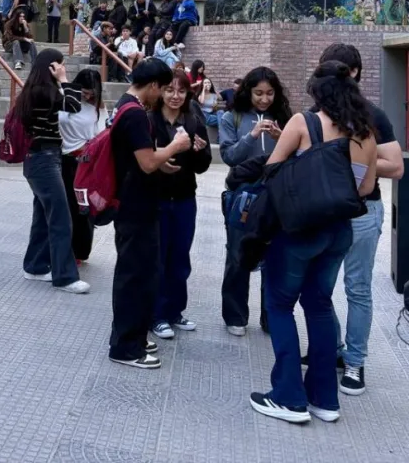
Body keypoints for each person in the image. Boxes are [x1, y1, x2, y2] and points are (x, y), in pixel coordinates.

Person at [250, 61, 377, 424]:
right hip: (340, 231)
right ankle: (325, 399)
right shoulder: (365, 131)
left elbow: (271, 171)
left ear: (318, 91)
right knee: (320, 305)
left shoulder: (303, 123)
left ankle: (289, 397)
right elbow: (366, 189)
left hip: (301, 230)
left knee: (279, 304)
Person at [318, 43, 404, 396]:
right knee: (319, 288)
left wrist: (356, 160)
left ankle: (355, 361)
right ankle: (333, 348)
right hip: (324, 211)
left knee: (357, 289)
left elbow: (396, 167)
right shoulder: (317, 112)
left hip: (363, 212)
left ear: (354, 73)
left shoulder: (373, 115)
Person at [108, 58, 192, 369]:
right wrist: (176, 146)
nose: (164, 95)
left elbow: (141, 158)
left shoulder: (124, 105)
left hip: (133, 202)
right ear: (154, 85)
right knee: (135, 277)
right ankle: (126, 347)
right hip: (136, 207)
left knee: (139, 274)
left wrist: (161, 161)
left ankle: (132, 335)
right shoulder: (135, 114)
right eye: (164, 88)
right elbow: (145, 162)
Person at [218, 66, 292, 336]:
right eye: (258, 93)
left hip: (276, 194)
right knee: (238, 254)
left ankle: (270, 316)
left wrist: (280, 137)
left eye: (270, 93)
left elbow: (298, 154)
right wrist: (252, 136)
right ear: (248, 91)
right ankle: (235, 316)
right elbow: (229, 156)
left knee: (274, 256)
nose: (264, 99)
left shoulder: (284, 117)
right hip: (243, 194)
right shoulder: (232, 117)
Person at [17, 49, 90, 294]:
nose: (62, 67)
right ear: (51, 67)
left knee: (42, 217)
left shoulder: (34, 90)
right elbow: (74, 105)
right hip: (44, 161)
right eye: (59, 64)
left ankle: (36, 266)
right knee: (60, 218)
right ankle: (65, 276)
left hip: (41, 160)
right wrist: (65, 79)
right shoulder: (43, 91)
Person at [150, 69, 211, 341]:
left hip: (185, 198)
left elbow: (203, 166)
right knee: (159, 257)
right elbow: (142, 161)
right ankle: (157, 315)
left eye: (181, 91)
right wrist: (160, 160)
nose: (175, 96)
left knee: (180, 256)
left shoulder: (193, 121)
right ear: (161, 91)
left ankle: (175, 311)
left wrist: (198, 151)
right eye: (170, 90)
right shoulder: (150, 120)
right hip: (158, 198)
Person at [59, 68, 106, 263]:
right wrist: (66, 85)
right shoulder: (67, 98)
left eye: (91, 93)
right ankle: (67, 250)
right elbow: (59, 120)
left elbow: (102, 132)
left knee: (84, 209)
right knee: (68, 207)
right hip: (65, 161)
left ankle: (81, 251)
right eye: (84, 91)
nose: (87, 96)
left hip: (87, 163)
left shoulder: (98, 107)